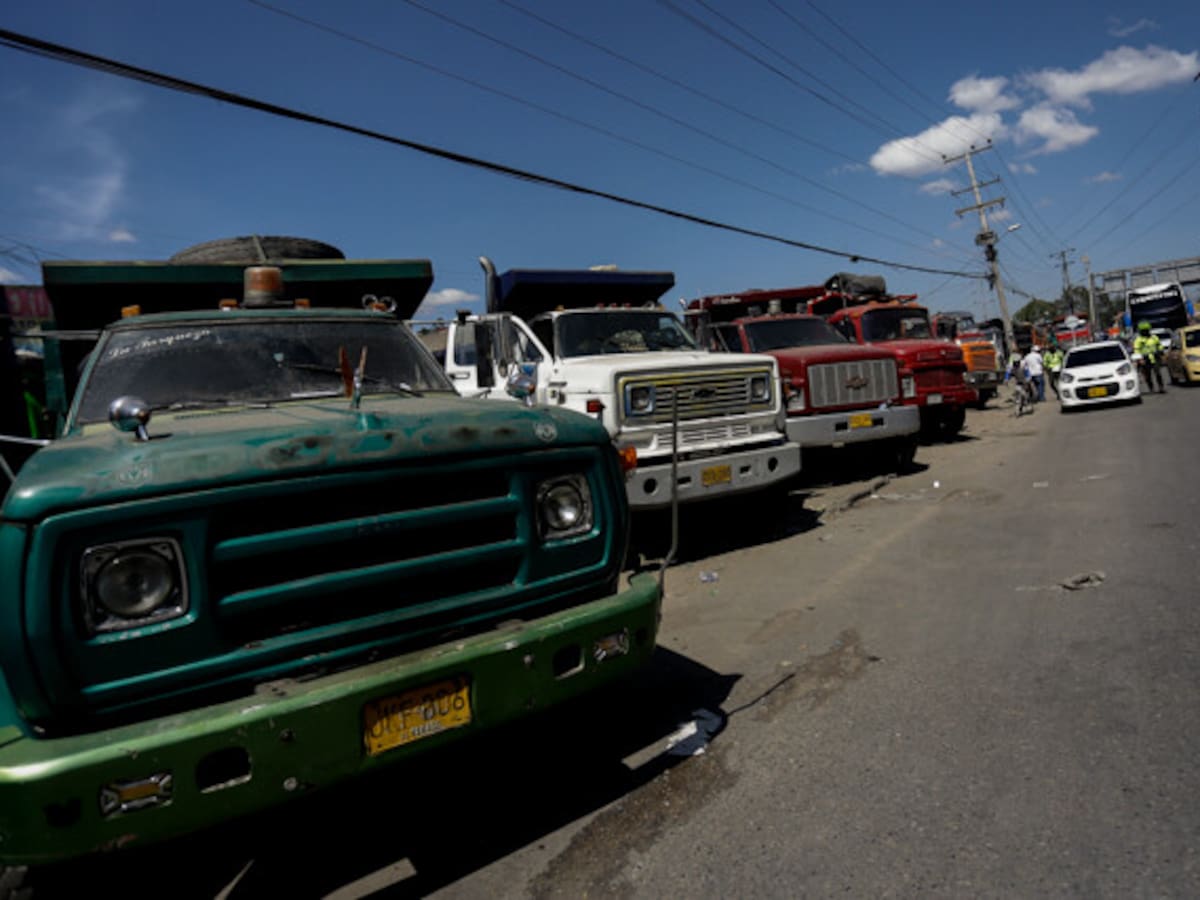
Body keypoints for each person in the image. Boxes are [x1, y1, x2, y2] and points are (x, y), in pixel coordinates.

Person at [1133, 320, 1165, 393]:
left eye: (1146, 330)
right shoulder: (1138, 340)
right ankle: (1151, 387)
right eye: (1143, 331)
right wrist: (1140, 359)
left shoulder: (1154, 337)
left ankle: (1161, 387)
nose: (1145, 332)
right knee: (1148, 375)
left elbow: (1159, 345)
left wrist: (1161, 352)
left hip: (1155, 357)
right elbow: (1136, 350)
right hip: (1145, 359)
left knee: (1158, 373)